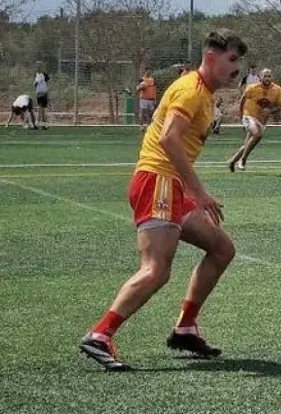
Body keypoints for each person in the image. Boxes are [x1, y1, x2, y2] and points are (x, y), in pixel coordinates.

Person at [78, 30, 248, 371]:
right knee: (156, 270)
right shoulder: (191, 91)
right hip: (158, 183)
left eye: (239, 62)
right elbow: (170, 140)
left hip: (170, 186)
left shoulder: (202, 92)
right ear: (211, 58)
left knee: (222, 249)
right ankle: (99, 335)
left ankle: (185, 327)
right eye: (232, 60)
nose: (237, 69)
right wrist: (198, 192)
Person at [229, 68, 281, 172]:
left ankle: (233, 161)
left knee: (250, 141)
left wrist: (270, 111)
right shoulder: (252, 88)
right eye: (265, 76)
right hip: (249, 115)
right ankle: (243, 160)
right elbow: (242, 100)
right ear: (260, 77)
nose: (267, 78)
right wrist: (241, 115)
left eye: (269, 76)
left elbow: (279, 106)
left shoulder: (277, 90)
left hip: (262, 120)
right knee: (257, 134)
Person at [33, 61, 50, 129]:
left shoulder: (45, 75)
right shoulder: (36, 74)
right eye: (37, 66)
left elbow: (48, 83)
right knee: (40, 109)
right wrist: (36, 82)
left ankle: (43, 125)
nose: (38, 67)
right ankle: (40, 124)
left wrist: (47, 92)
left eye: (40, 66)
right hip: (39, 94)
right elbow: (34, 85)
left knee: (42, 110)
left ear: (42, 67)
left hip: (44, 94)